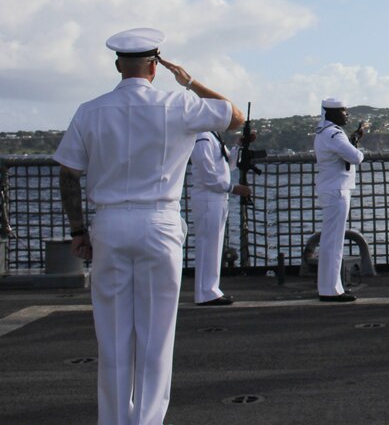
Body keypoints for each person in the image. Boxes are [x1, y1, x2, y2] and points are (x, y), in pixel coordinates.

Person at [54, 27, 243, 425]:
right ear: (155, 67)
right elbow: (235, 117)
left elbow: (69, 174)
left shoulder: (89, 110)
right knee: (157, 339)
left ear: (118, 65)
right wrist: (188, 80)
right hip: (159, 223)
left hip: (108, 225)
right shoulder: (178, 104)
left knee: (114, 337)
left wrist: (78, 231)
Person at [188, 129, 252, 306]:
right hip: (208, 197)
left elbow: (227, 165)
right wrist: (232, 188)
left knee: (213, 245)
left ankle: (210, 289)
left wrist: (238, 145)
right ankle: (206, 292)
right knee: (208, 245)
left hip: (216, 197)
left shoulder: (212, 136)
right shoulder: (202, 137)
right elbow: (208, 175)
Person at [314, 97, 367, 303]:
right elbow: (355, 157)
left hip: (331, 187)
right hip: (337, 190)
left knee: (331, 240)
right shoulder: (334, 134)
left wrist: (353, 140)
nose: (347, 114)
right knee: (333, 241)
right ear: (333, 113)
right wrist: (356, 147)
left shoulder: (322, 132)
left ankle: (330, 286)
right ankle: (330, 289)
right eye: (344, 111)